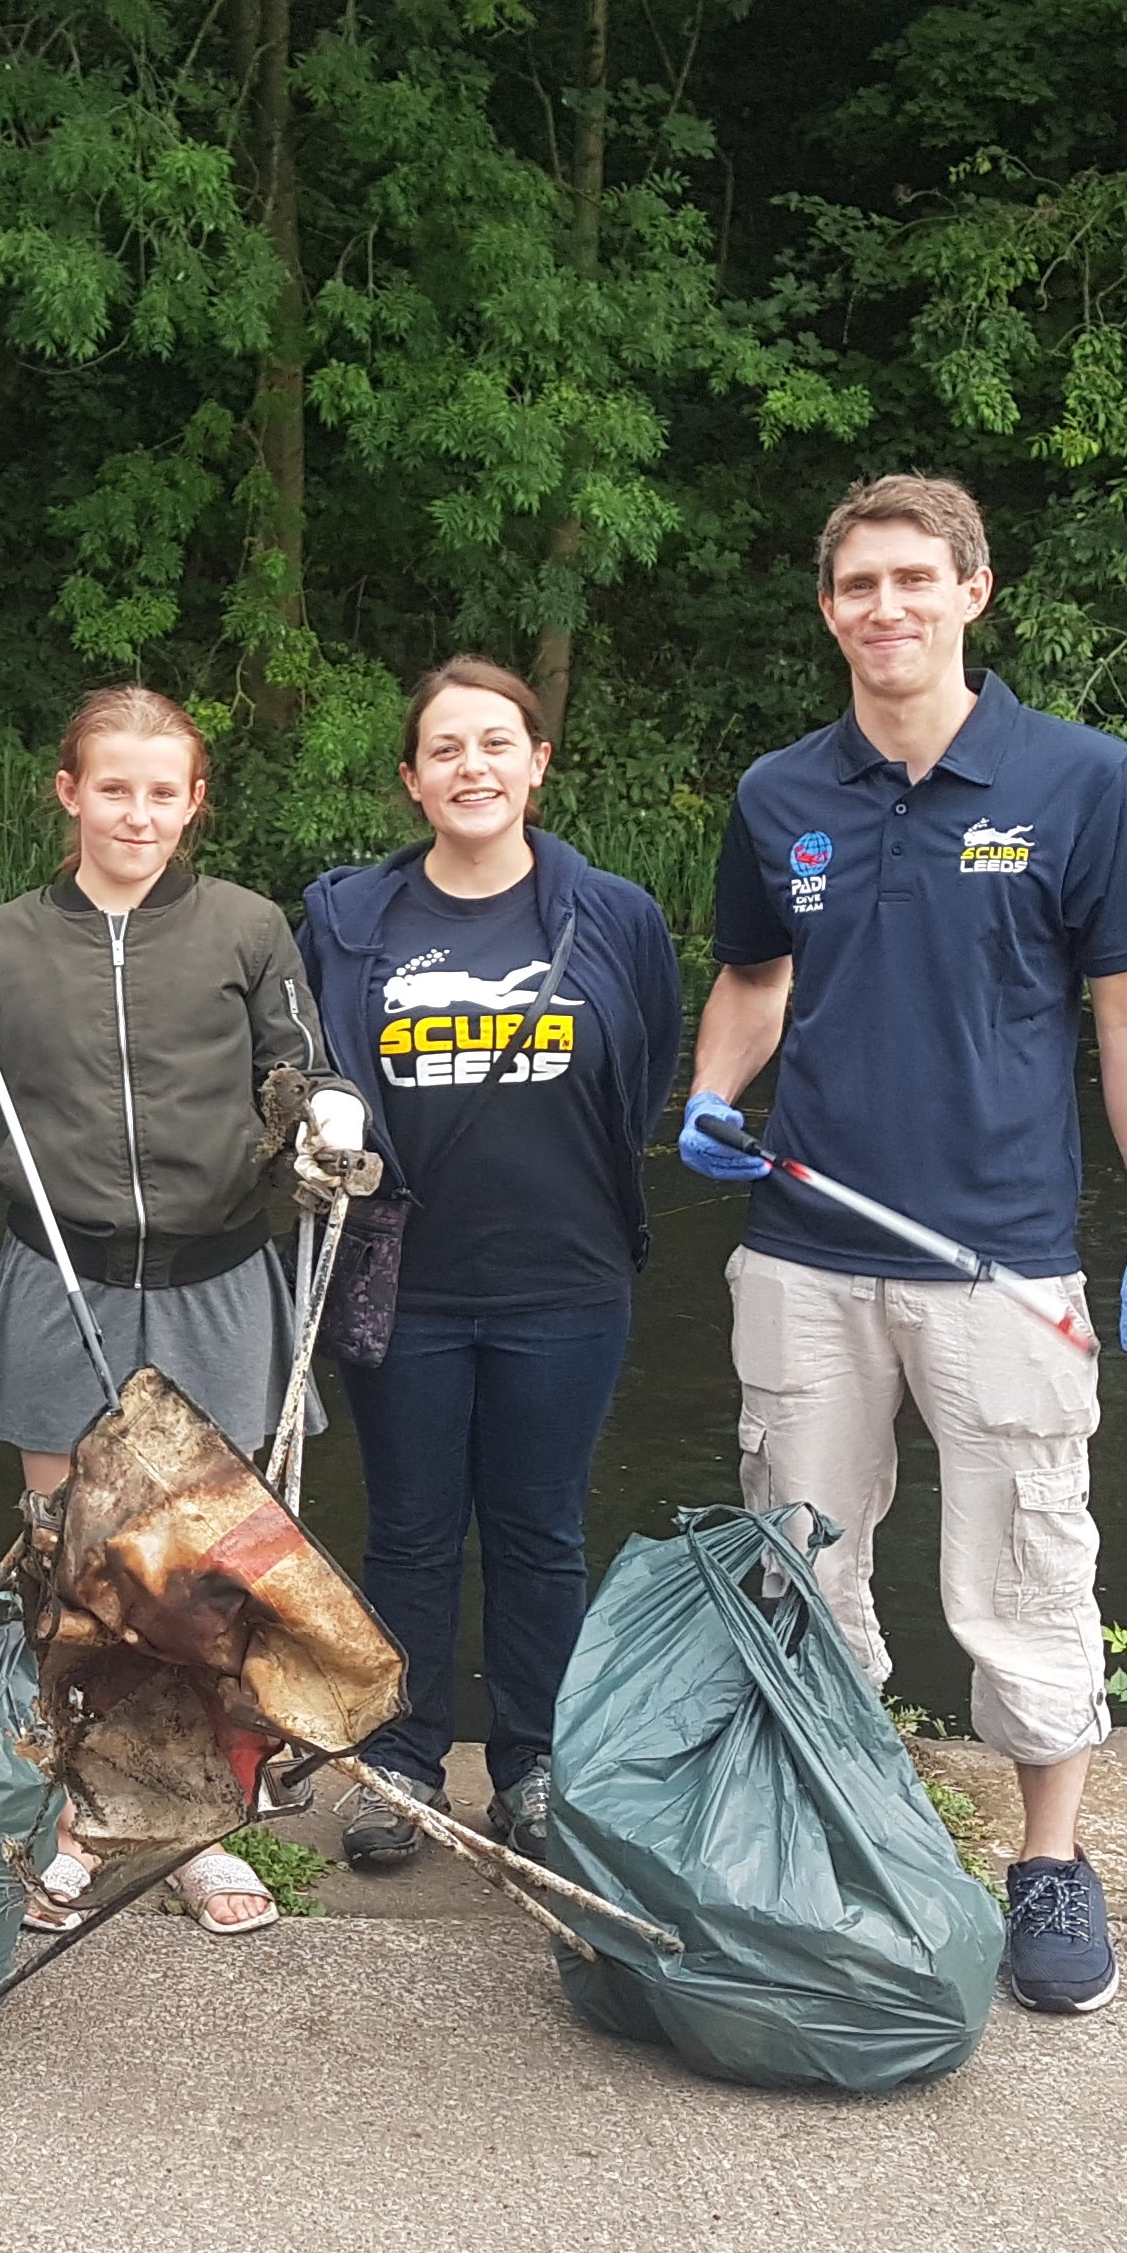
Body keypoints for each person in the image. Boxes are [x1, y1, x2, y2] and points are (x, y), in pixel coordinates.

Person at [680, 472, 1127, 2017]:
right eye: (858, 586)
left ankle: (1049, 1865)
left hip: (1002, 1260)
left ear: (975, 591)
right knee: (803, 1559)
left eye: (915, 579)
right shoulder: (783, 794)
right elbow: (756, 975)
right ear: (827, 608)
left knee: (1028, 1566)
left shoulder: (1082, 779)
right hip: (804, 1253)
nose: (885, 609)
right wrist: (712, 1092)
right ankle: (846, 1827)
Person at [0, 685, 329, 1937]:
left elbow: (298, 1076)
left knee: (197, 1574)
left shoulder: (248, 928)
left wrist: (331, 1117)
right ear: (70, 793)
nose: (138, 813)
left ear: (194, 804)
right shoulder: (1, 944)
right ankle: (76, 1814)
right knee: (72, 1567)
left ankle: (195, 1825)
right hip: (57, 1282)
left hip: (216, 1281)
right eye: (113, 787)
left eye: (163, 791)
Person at [294, 657, 683, 1875]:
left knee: (539, 1531)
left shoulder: (612, 914)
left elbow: (651, 1062)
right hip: (401, 1277)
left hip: (567, 1279)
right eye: (447, 749)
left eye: (497, 744)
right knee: (409, 1530)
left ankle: (533, 1761)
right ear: (414, 780)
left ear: (537, 763)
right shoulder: (350, 919)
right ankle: (402, 1764)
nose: (474, 767)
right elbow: (302, 1059)